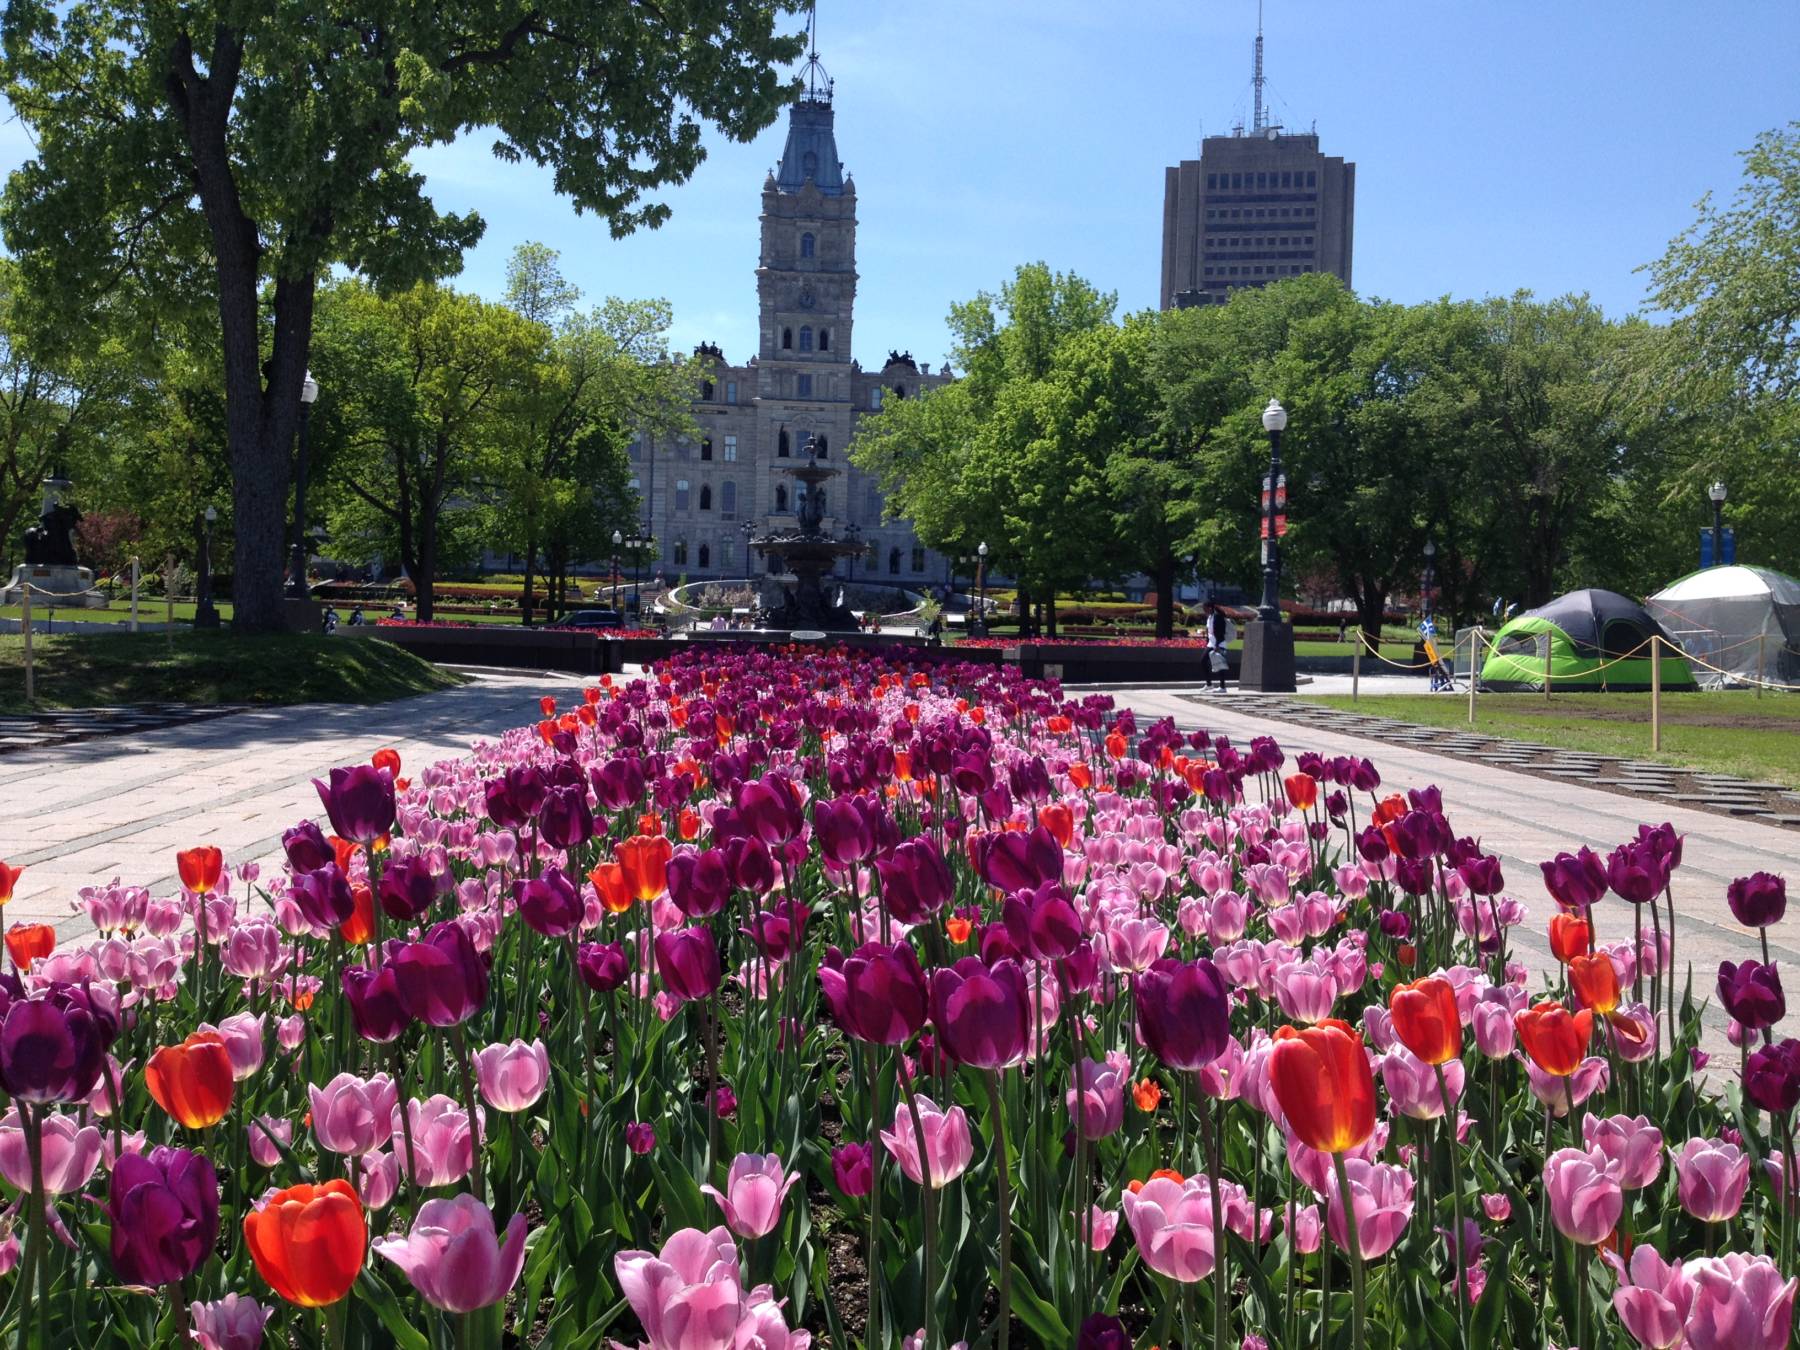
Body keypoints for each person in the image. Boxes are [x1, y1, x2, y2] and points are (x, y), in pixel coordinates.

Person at [1203, 601, 1233, 692]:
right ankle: (1209, 684)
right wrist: (1208, 641)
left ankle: (1223, 687)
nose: (1204, 610)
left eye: (1205, 608)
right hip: (1211, 644)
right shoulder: (1210, 617)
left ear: (1210, 608)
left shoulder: (1218, 617)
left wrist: (1217, 645)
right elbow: (1210, 632)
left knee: (1220, 665)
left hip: (1219, 644)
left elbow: (1220, 632)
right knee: (1203, 662)